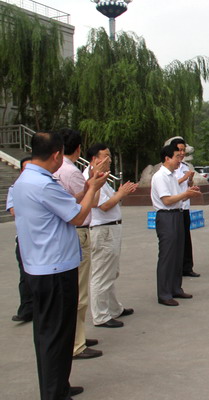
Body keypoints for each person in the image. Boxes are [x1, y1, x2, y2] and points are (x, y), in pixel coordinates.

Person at [13, 131, 108, 400]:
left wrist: (88, 187)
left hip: (40, 267)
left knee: (49, 334)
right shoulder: (44, 184)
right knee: (56, 335)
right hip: (54, 270)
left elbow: (65, 206)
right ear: (56, 155)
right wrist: (93, 189)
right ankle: (55, 393)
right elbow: (77, 217)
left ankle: (57, 387)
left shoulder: (26, 180)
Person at [54, 130, 103, 360]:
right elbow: (87, 202)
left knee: (74, 290)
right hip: (78, 231)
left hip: (68, 233)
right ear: (79, 149)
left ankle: (77, 335)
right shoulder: (71, 172)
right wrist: (95, 184)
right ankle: (76, 343)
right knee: (79, 292)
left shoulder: (56, 170)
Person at [84, 144, 137, 327]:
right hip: (103, 230)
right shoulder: (92, 177)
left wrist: (120, 193)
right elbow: (103, 205)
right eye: (106, 156)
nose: (110, 160)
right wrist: (121, 193)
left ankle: (114, 308)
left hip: (110, 229)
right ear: (95, 159)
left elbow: (108, 200)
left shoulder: (102, 177)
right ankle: (101, 315)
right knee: (102, 273)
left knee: (110, 271)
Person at [151, 144, 201, 306]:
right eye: (177, 157)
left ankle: (175, 288)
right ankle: (164, 293)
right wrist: (185, 194)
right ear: (167, 158)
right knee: (167, 256)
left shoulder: (172, 176)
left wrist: (189, 194)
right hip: (167, 217)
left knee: (178, 254)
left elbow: (177, 197)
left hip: (177, 214)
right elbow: (167, 200)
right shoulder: (160, 176)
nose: (180, 160)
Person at [7, 156, 33, 323]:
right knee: (25, 275)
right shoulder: (15, 188)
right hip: (25, 239)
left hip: (43, 239)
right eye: (25, 168)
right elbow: (13, 211)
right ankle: (26, 309)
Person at [170, 138, 200, 277]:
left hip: (185, 207)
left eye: (183, 150)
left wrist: (190, 180)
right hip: (173, 208)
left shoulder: (185, 167)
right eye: (179, 150)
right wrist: (184, 178)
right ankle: (175, 268)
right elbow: (170, 185)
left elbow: (187, 184)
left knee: (186, 238)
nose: (182, 153)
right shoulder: (169, 167)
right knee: (174, 239)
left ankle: (187, 267)